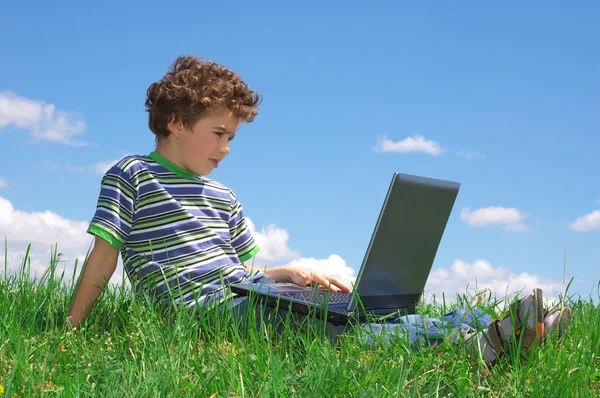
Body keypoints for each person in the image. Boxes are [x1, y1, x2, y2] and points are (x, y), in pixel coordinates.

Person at [67, 55, 571, 366]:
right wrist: (72, 329)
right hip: (200, 312)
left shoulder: (225, 198)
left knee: (347, 314)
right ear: (177, 123)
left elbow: (244, 273)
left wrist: (289, 272)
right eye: (219, 134)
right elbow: (104, 258)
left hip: (247, 294)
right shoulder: (133, 174)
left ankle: (496, 326)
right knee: (330, 331)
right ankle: (478, 341)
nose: (226, 148)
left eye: (232, 138)